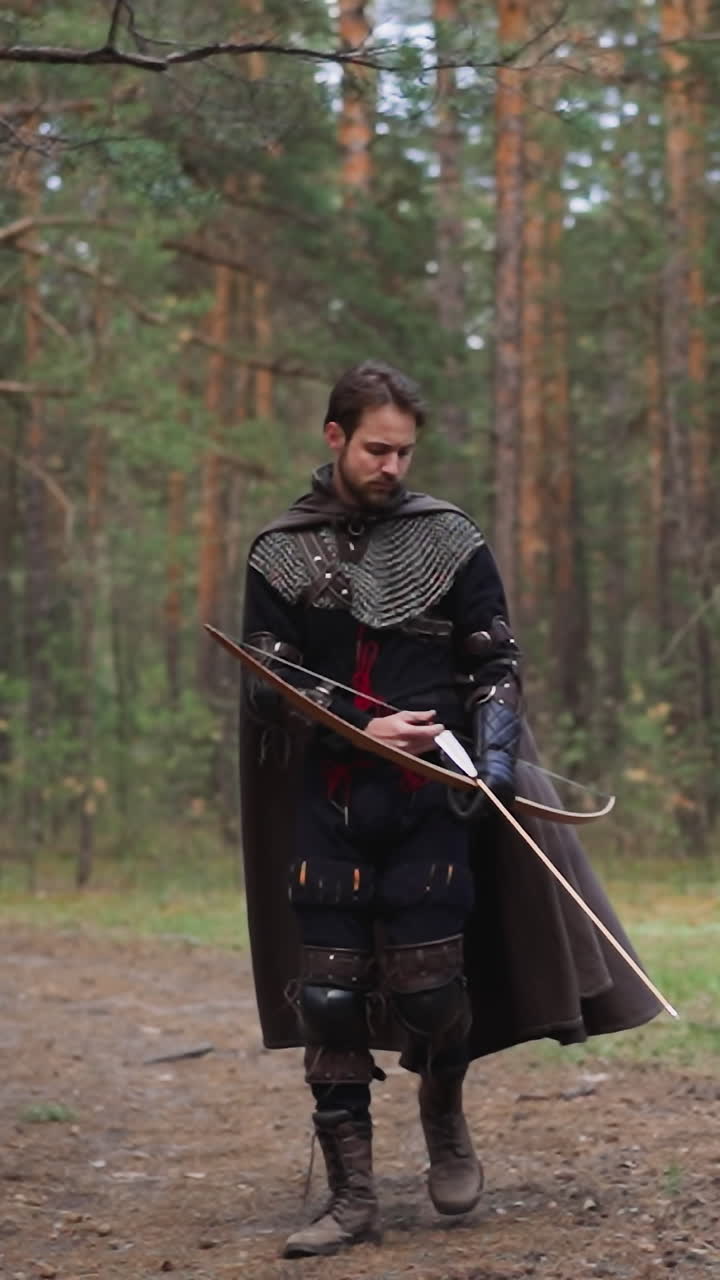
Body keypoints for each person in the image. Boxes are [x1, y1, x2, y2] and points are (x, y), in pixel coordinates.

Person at [238, 360, 661, 1259]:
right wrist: (361, 725)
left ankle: (443, 1110)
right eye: (375, 449)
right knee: (329, 998)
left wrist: (495, 763)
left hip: (433, 796)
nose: (391, 466)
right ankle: (352, 1199)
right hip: (330, 799)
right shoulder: (280, 549)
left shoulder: (448, 537)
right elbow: (268, 683)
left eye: (404, 451)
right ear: (335, 437)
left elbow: (494, 663)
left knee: (433, 992)